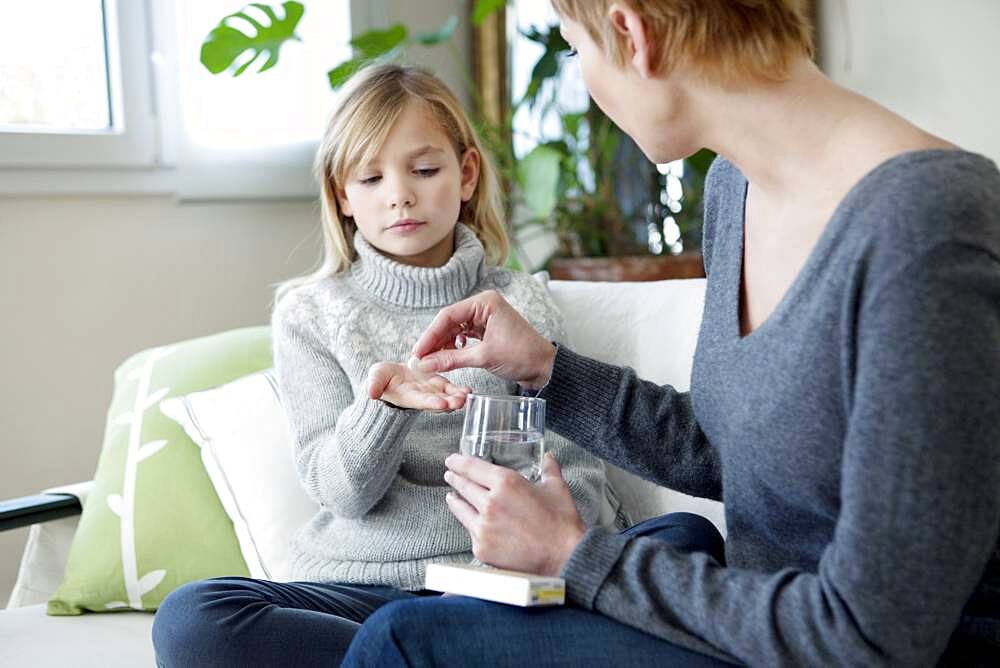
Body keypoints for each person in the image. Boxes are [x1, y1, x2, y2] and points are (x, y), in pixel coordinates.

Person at [342, 1, 1000, 666]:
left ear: (633, 34)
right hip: (751, 631)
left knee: (402, 641)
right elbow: (749, 455)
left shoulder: (927, 228)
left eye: (577, 51)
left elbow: (872, 640)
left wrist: (577, 556)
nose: (588, 82)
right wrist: (549, 371)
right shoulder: (736, 188)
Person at [150, 63, 614, 667]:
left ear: (466, 174)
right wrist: (384, 407)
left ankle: (414, 654)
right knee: (193, 620)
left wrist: (541, 555)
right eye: (369, 177)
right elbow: (341, 492)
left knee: (685, 542)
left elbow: (575, 469)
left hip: (488, 591)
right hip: (357, 589)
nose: (399, 193)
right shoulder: (309, 313)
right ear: (342, 195)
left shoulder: (519, 304)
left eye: (424, 169)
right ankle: (423, 654)